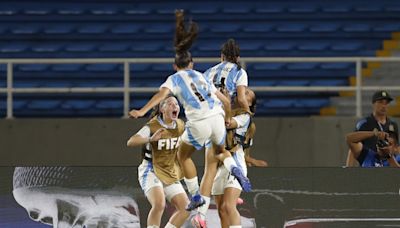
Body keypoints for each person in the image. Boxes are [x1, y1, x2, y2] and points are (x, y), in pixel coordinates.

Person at [129, 9, 251, 214]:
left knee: (182, 156)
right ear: (191, 64)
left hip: (199, 122)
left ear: (174, 65)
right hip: (218, 119)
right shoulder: (200, 76)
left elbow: (160, 97)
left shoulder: (176, 78)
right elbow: (226, 102)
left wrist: (142, 111)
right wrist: (228, 118)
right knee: (221, 152)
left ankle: (196, 196)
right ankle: (234, 168)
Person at [192, 88, 267, 228]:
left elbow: (227, 124)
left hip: (234, 162)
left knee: (228, 206)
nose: (241, 92)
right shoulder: (220, 109)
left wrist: (224, 102)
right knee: (221, 210)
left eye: (246, 93)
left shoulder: (245, 117)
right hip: (218, 164)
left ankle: (203, 213)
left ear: (249, 103)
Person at [127, 95, 190, 228]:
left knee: (185, 208)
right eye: (170, 104)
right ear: (162, 109)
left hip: (168, 170)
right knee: (159, 204)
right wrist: (150, 139)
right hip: (151, 170)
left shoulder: (180, 125)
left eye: (177, 104)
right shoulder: (152, 126)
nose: (175, 107)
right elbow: (131, 141)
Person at [346, 90, 399, 167]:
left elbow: (396, 146)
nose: (383, 106)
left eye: (386, 103)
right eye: (380, 102)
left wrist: (390, 155)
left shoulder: (393, 124)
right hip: (369, 159)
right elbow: (353, 146)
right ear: (374, 103)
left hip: (388, 161)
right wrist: (349, 168)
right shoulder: (365, 123)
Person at [204, 38, 250, 113]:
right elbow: (241, 99)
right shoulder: (240, 72)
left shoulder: (208, 71)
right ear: (238, 58)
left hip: (205, 111)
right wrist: (249, 116)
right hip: (223, 111)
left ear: (222, 56)